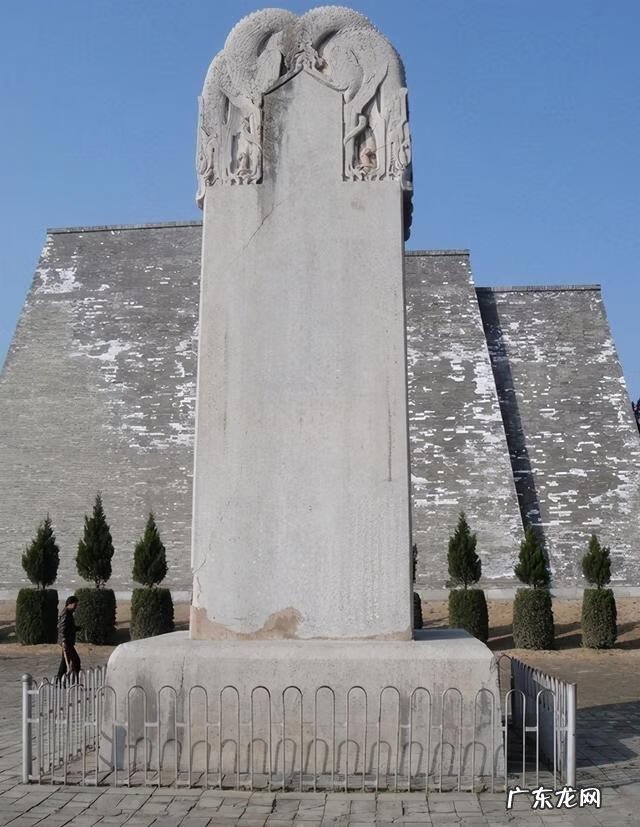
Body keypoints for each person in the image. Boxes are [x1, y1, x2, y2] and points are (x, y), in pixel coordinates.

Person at [56, 595, 81, 682]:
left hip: (68, 642)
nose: (75, 608)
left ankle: (59, 681)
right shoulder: (65, 614)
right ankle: (74, 680)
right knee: (76, 661)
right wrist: (63, 641)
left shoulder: (69, 614)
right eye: (75, 605)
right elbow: (62, 628)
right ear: (69, 604)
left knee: (65, 662)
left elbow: (69, 627)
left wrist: (77, 628)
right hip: (66, 642)